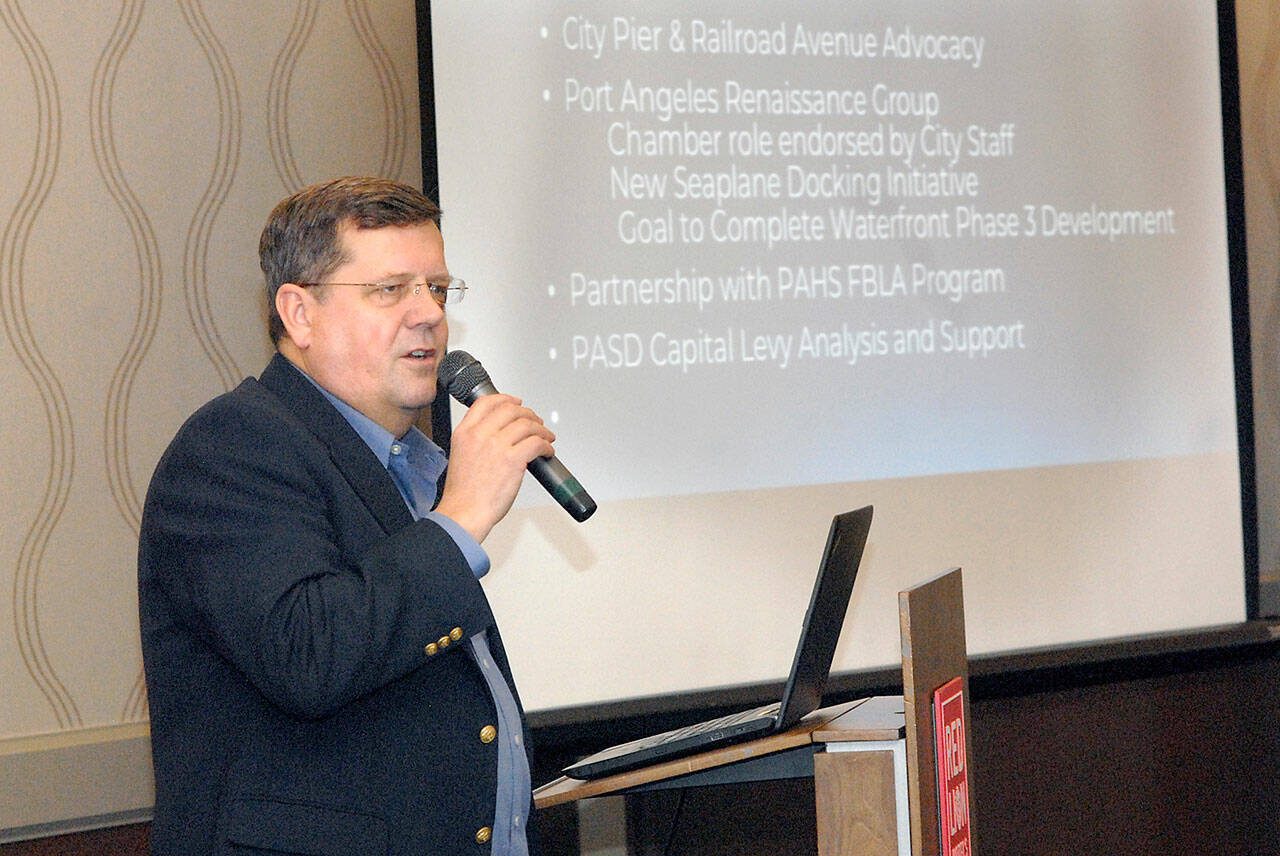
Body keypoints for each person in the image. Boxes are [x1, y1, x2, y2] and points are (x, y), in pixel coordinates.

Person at [138, 176, 554, 855]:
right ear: (299, 314)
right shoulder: (233, 447)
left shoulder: (419, 472)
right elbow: (308, 654)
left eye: (437, 289)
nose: (428, 315)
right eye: (390, 290)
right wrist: (463, 519)